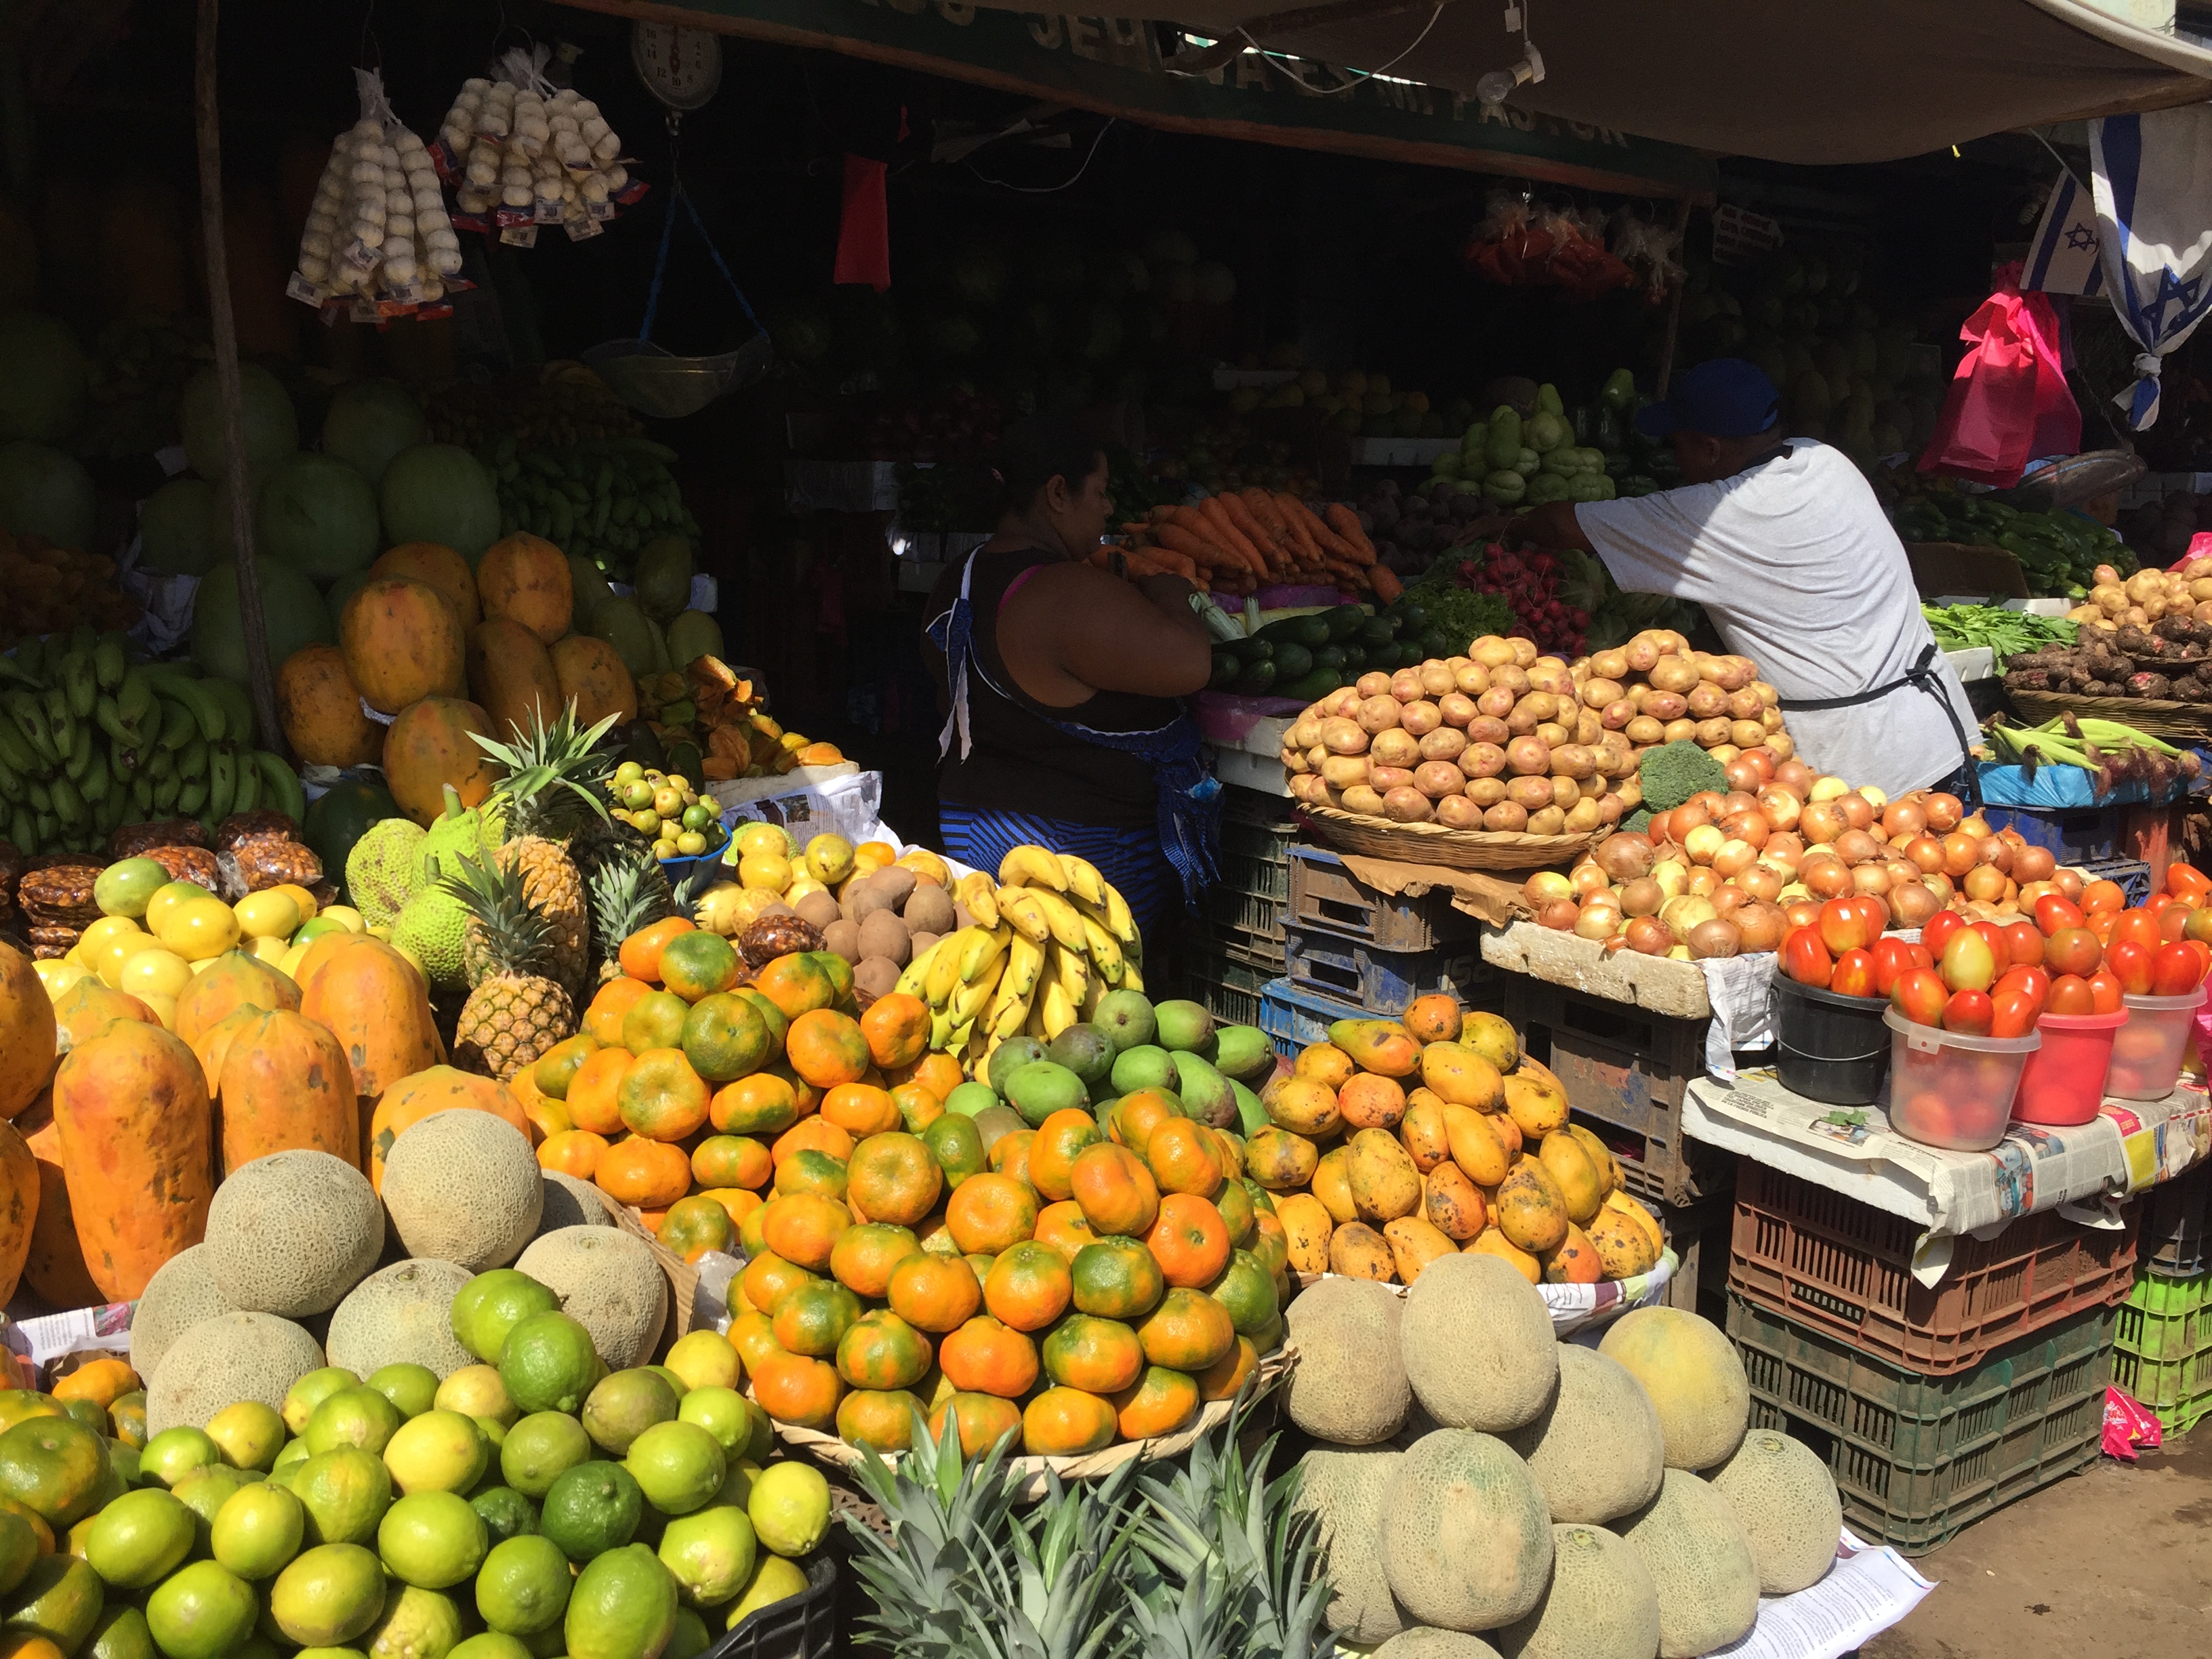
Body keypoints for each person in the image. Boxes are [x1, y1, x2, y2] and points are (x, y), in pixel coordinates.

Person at [1508, 357, 1976, 799]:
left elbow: (1559, 527)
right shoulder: (1827, 460)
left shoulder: (1719, 515)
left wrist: (1509, 524)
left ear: (1710, 449)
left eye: (1678, 445)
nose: (1676, 462)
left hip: (1863, 771)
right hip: (1938, 726)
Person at [923, 413, 1217, 938]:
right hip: (1074, 846)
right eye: (1100, 491)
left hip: (971, 826)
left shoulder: (959, 577)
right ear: (1058, 493)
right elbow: (1190, 665)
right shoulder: (1063, 592)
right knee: (1093, 1001)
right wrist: (1174, 595)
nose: (1107, 508)